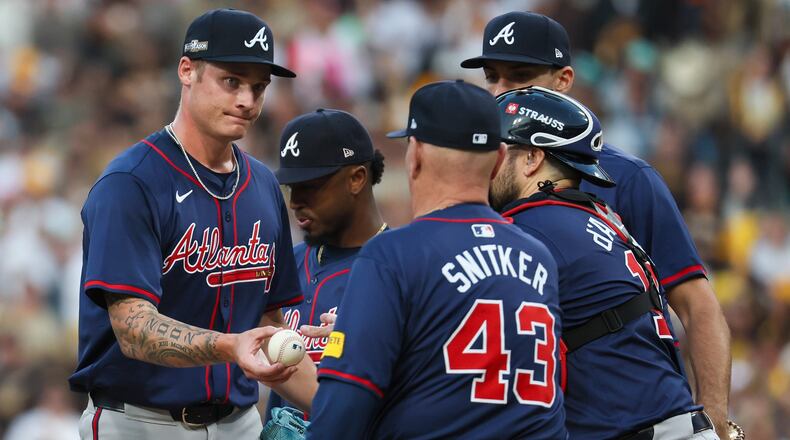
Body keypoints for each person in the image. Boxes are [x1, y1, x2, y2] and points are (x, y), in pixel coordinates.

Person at [462, 11, 731, 437]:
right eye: (491, 77)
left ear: (564, 80)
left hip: (636, 416)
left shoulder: (628, 178)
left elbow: (697, 306)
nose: (500, 90)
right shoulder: (492, 179)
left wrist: (716, 421)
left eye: (519, 76)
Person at [69, 9, 317, 439]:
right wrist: (231, 346)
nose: (247, 100)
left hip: (239, 422)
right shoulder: (132, 182)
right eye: (231, 81)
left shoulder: (261, 185)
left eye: (259, 87)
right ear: (187, 71)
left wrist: (348, 406)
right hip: (138, 422)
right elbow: (134, 329)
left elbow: (269, 321)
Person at [307, 81, 567, 439]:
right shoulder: (539, 256)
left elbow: (344, 404)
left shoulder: (391, 255)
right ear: (499, 161)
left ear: (415, 156)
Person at [490, 86, 718, 439]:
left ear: (532, 158)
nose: (487, 161)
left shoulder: (532, 225)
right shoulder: (597, 217)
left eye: (498, 149)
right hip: (670, 424)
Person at [264, 109, 387, 420]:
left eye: (311, 186)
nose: (295, 202)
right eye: (292, 187)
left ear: (357, 178)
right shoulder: (286, 262)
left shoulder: (402, 269)